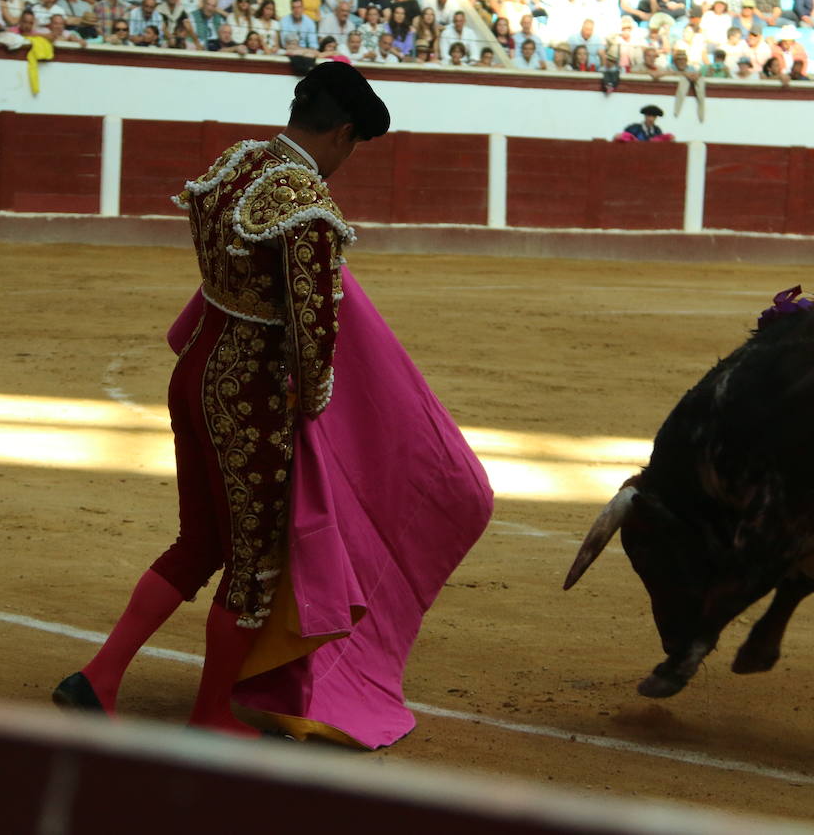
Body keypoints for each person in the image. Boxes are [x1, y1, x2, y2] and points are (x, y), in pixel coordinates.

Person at [53, 62, 491, 748]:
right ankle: (211, 714)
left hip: (196, 367)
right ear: (342, 133)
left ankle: (99, 677)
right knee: (255, 561)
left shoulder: (237, 161)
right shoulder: (307, 204)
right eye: (352, 147)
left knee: (200, 541)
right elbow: (316, 335)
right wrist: (316, 409)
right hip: (249, 394)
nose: (346, 161)